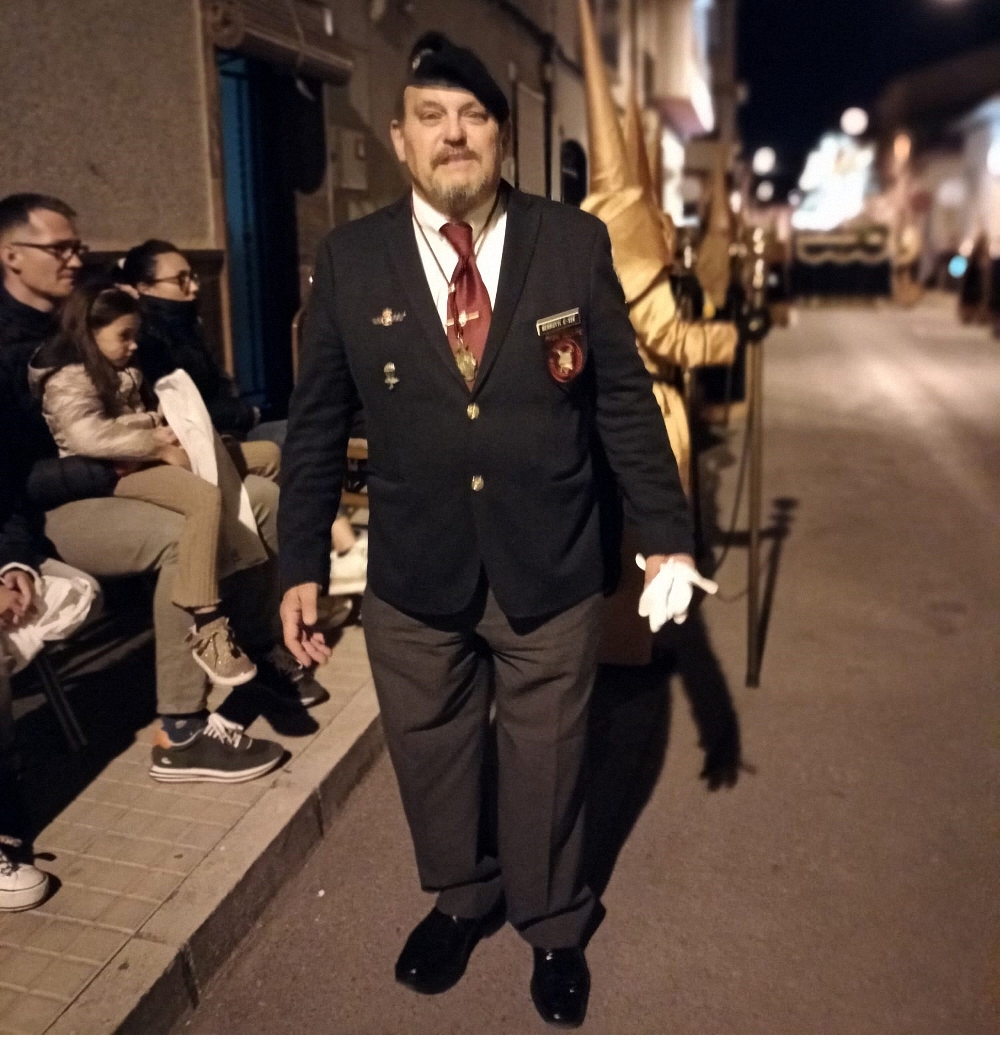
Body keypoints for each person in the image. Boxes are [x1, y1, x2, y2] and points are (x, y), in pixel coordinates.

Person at [278, 32, 708, 1028]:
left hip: (549, 557)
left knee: (548, 753)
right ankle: (462, 896)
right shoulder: (350, 259)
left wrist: (665, 533)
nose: (453, 133)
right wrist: (301, 558)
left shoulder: (572, 242)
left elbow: (622, 407)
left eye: (472, 115)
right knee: (429, 751)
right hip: (413, 568)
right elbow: (317, 428)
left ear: (502, 134)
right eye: (431, 115)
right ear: (399, 138)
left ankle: (553, 921)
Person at [0, 193, 322, 784]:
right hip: (48, 508)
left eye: (78, 246)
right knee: (182, 533)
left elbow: (154, 387)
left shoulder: (84, 313)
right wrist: (126, 461)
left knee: (263, 499)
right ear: (11, 254)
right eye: (60, 248)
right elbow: (17, 472)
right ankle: (180, 728)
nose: (75, 258)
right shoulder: (19, 348)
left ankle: (255, 648)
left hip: (118, 473)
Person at [30, 280, 262, 691]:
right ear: (90, 331)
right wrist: (156, 443)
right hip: (113, 472)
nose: (133, 344)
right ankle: (207, 619)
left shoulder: (117, 368)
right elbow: (88, 437)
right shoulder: (68, 375)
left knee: (266, 459)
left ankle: (257, 591)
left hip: (141, 455)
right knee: (204, 497)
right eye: (124, 335)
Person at [120, 238, 367, 592]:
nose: (192, 287)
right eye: (180, 280)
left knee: (309, 431)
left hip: (227, 426)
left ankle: (341, 545)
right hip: (204, 439)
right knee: (292, 442)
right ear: (144, 288)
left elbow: (217, 386)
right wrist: (245, 412)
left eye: (193, 277)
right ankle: (342, 548)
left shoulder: (186, 324)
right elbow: (183, 409)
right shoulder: (146, 339)